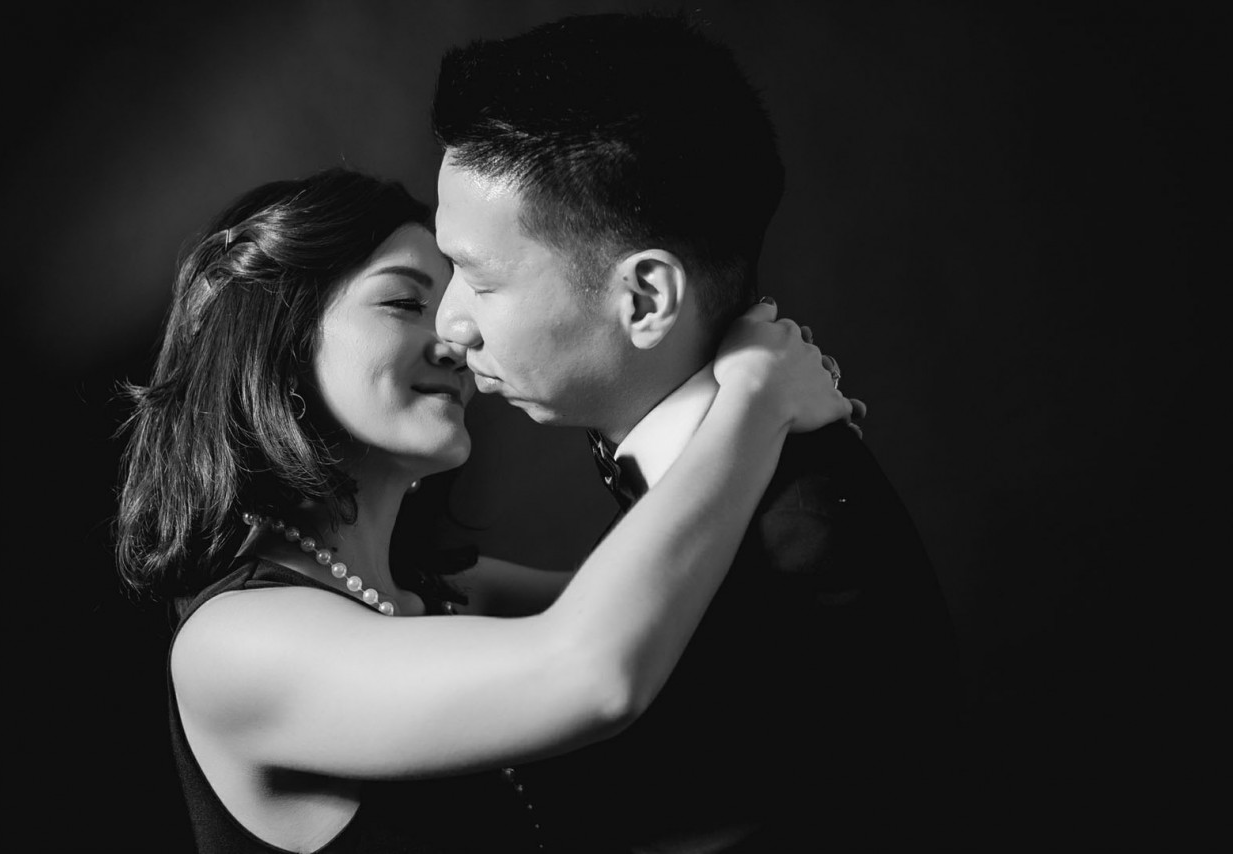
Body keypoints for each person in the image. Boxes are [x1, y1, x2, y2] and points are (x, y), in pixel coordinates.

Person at [114, 166, 853, 853]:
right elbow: (595, 673)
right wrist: (756, 397)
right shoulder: (232, 647)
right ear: (276, 339)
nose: (454, 343)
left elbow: (689, 618)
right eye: (405, 303)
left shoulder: (441, 595)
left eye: (458, 308)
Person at [430, 11, 961, 851]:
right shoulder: (670, 439)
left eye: (481, 281)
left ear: (645, 300)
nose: (448, 322)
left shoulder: (802, 548)